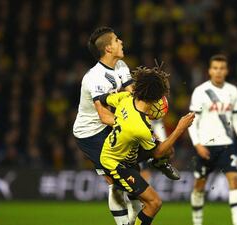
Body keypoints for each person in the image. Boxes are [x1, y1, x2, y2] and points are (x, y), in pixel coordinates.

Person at [73, 27, 178, 225]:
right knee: (116, 182)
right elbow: (104, 115)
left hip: (113, 126)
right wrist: (131, 123)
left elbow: (134, 95)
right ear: (108, 49)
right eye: (116, 40)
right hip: (91, 133)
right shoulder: (94, 78)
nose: (121, 41)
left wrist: (149, 105)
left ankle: (157, 162)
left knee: (132, 177)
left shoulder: (120, 65)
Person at [99, 65, 195, 225]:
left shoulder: (126, 98)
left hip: (127, 150)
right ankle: (158, 163)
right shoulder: (140, 127)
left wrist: (117, 119)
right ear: (155, 97)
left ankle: (158, 164)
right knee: (154, 203)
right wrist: (180, 128)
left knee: (167, 150)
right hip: (117, 163)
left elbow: (103, 99)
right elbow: (157, 151)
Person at [188, 54, 237, 225]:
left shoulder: (233, 91)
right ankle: (197, 221)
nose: (218, 72)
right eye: (215, 68)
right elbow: (192, 121)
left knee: (235, 181)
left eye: (222, 68)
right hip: (206, 146)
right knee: (199, 186)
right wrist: (197, 144)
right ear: (209, 70)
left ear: (227, 71)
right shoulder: (200, 91)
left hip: (228, 145)